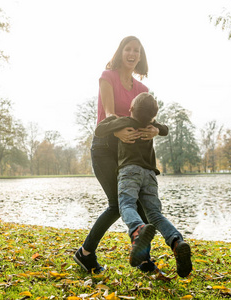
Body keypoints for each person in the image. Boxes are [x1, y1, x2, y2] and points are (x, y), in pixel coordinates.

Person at [73, 36, 167, 274]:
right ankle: (85, 253)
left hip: (129, 154)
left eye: (137, 50)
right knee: (117, 204)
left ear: (140, 56)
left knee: (141, 206)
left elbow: (148, 119)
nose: (132, 54)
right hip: (105, 147)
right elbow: (109, 114)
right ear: (120, 52)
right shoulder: (108, 77)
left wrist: (154, 129)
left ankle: (144, 261)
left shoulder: (143, 89)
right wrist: (119, 132)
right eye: (128, 49)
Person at [94, 92, 192, 278]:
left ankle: (137, 229)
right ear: (153, 115)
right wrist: (156, 128)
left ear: (131, 109)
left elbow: (99, 130)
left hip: (129, 171)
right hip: (150, 174)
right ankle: (177, 242)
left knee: (126, 205)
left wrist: (113, 122)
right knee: (154, 214)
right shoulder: (151, 126)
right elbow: (165, 129)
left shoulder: (124, 122)